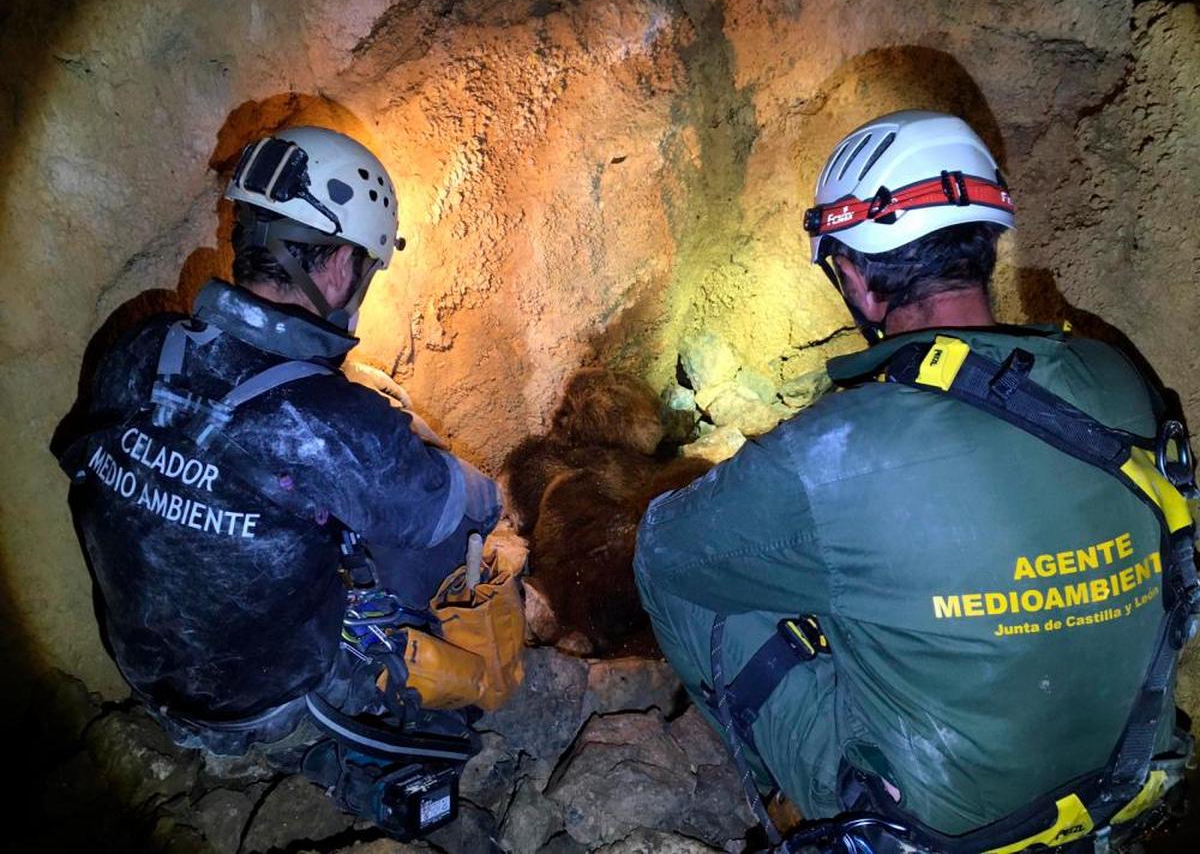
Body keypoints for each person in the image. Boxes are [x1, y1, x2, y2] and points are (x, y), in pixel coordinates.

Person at [635, 111, 1197, 851]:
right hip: (1126, 779)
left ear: (858, 281)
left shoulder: (836, 451)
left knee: (680, 569)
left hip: (951, 826)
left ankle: (802, 800)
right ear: (985, 246)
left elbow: (670, 546)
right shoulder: (1118, 377)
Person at [53, 127, 513, 835]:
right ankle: (381, 721)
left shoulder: (141, 347)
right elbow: (459, 506)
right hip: (264, 700)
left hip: (146, 671)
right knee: (458, 546)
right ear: (336, 268)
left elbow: (90, 464)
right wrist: (426, 460)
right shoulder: (332, 420)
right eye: (365, 265)